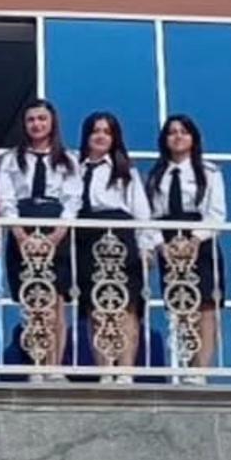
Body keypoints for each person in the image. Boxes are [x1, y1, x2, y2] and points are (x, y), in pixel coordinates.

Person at [0, 98, 78, 381]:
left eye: (42, 119)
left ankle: (54, 367)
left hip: (56, 225)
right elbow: (6, 198)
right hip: (24, 223)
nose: (36, 124)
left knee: (56, 300)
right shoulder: (12, 159)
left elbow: (72, 199)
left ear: (52, 123)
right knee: (32, 299)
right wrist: (19, 233)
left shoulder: (68, 159)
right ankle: (36, 364)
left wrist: (57, 234)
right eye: (31, 119)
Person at [71, 111, 156, 383]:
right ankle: (105, 370)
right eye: (95, 131)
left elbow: (141, 211)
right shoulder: (74, 168)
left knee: (126, 304)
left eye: (106, 132)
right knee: (96, 306)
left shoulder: (125, 170)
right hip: (87, 237)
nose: (100, 136)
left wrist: (146, 245)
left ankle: (126, 371)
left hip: (120, 235)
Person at [147, 114, 226, 384]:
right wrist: (160, 245)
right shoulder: (156, 175)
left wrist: (194, 240)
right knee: (181, 305)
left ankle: (200, 369)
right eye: (172, 132)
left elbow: (216, 213)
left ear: (193, 138)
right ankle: (186, 361)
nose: (178, 137)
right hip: (169, 241)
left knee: (205, 304)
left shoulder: (209, 172)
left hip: (200, 240)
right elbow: (150, 215)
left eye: (183, 132)